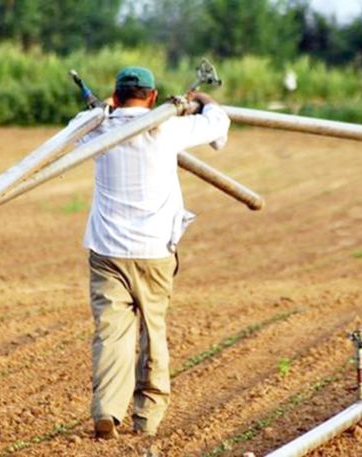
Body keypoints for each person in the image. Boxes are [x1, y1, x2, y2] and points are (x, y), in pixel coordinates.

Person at [77, 66, 230, 439]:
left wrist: (102, 115)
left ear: (114, 97)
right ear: (153, 96)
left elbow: (75, 132)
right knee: (152, 331)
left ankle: (107, 411)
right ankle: (146, 420)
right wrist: (199, 101)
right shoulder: (169, 128)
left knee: (111, 334)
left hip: (107, 250)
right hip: (154, 251)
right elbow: (219, 124)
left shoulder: (95, 127)